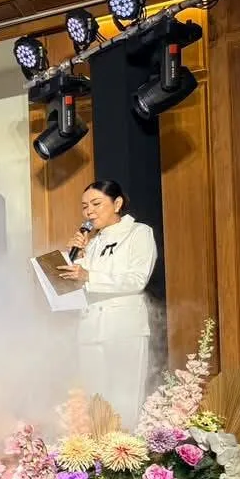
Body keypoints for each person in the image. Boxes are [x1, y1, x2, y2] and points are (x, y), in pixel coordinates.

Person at [58, 179, 158, 427]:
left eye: (96, 204)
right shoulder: (91, 243)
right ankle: (99, 451)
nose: (89, 212)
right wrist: (74, 258)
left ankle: (126, 449)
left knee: (124, 399)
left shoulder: (138, 233)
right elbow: (78, 287)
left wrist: (88, 276)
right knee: (95, 400)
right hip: (90, 329)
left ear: (117, 203)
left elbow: (137, 279)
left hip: (124, 328)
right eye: (84, 207)